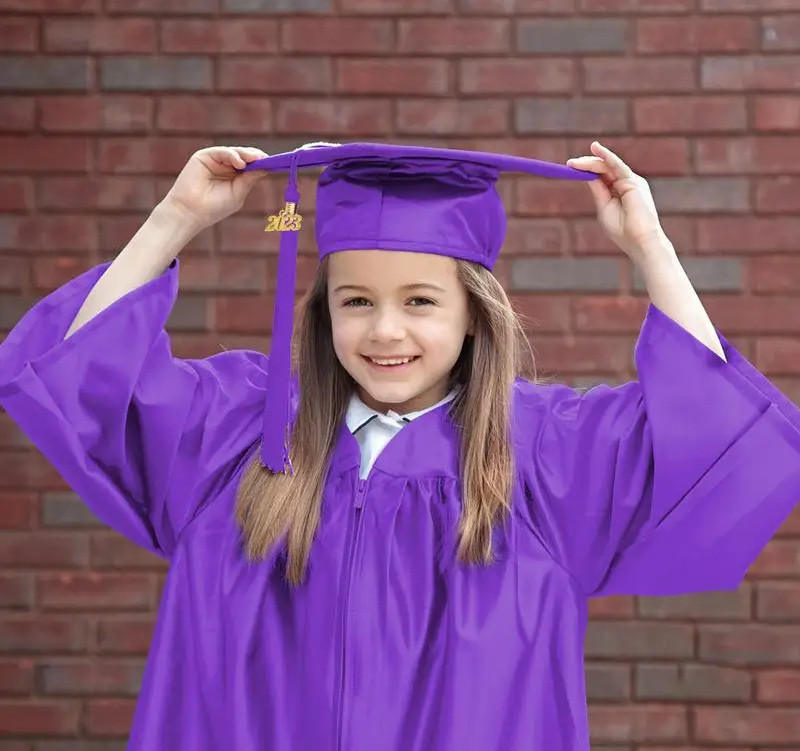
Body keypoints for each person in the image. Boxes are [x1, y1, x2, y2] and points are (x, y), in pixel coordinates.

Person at [1, 140, 799, 751]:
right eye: (356, 301)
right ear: (322, 313)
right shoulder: (235, 433)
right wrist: (174, 219)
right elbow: (77, 375)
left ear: (473, 315)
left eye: (420, 301)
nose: (385, 330)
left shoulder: (548, 458)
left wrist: (650, 249)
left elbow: (721, 435)